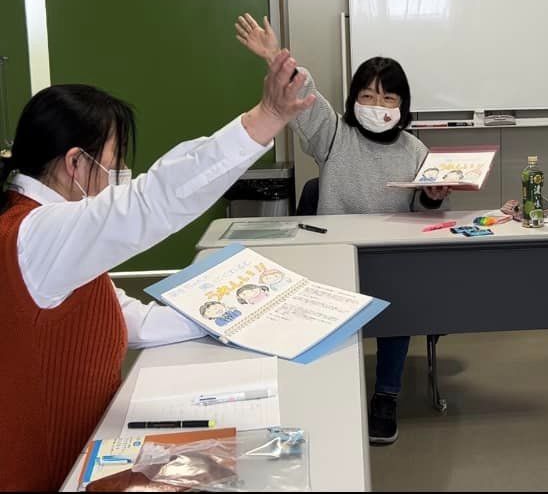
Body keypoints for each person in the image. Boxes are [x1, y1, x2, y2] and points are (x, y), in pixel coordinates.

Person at [0, 50, 314, 491]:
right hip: (49, 474)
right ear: (75, 163)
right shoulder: (35, 234)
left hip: (87, 452)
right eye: (115, 162)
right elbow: (154, 200)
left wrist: (228, 316)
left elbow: (124, 318)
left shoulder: (51, 239)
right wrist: (267, 117)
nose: (120, 175)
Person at [235, 14, 450, 446]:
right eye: (368, 95)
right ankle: (323, 390)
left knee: (401, 304)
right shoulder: (333, 134)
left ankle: (385, 396)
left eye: (388, 97)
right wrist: (276, 58)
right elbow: (305, 94)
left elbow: (428, 214)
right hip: (334, 255)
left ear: (402, 105)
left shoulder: (417, 150)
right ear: (353, 100)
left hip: (389, 259)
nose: (377, 104)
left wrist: (433, 196)